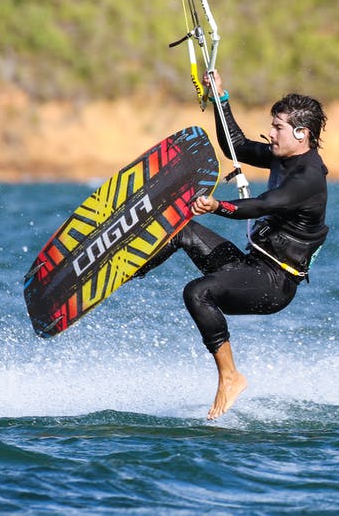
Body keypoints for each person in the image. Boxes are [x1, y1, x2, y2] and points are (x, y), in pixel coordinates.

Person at [136, 69, 329, 419]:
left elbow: (264, 205)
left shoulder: (309, 177)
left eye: (278, 128)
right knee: (181, 228)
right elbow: (234, 146)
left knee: (198, 292)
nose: (270, 133)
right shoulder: (281, 156)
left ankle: (230, 376)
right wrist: (219, 98)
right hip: (250, 266)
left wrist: (219, 206)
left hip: (274, 283)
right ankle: (127, 269)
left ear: (302, 134)